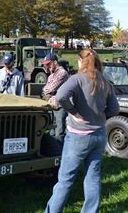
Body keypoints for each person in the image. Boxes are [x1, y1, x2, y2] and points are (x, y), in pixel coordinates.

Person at [45, 49, 119, 213]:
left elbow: (61, 95)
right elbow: (114, 108)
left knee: (65, 180)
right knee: (93, 177)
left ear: (81, 61)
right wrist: (100, 117)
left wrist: (74, 113)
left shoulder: (77, 79)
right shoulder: (105, 82)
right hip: (99, 136)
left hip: (78, 137)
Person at [41, 52, 69, 145]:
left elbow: (50, 88)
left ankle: (59, 154)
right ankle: (52, 152)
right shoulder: (51, 75)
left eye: (49, 64)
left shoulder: (62, 73)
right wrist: (47, 91)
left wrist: (48, 92)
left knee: (59, 132)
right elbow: (45, 90)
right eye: (46, 64)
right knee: (51, 131)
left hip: (60, 106)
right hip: (52, 105)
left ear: (55, 62)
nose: (47, 66)